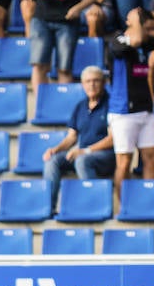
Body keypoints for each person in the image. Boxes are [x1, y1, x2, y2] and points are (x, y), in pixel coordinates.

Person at [109, 7, 154, 194]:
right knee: (124, 161)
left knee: (151, 157)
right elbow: (134, 40)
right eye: (138, 17)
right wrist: (139, 24)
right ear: (128, 21)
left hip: (146, 110)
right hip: (123, 111)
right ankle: (123, 206)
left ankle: (148, 202)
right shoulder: (118, 38)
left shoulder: (146, 41)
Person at [16, 0, 101, 89]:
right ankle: (41, 105)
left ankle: (64, 103)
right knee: (39, 65)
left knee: (65, 68)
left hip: (68, 21)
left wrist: (79, 8)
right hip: (41, 18)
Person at [43, 65, 115, 213]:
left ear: (104, 83)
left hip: (106, 156)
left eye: (96, 80)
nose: (92, 85)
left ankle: (94, 207)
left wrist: (86, 151)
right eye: (88, 81)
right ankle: (48, 208)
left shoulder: (112, 105)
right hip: (84, 153)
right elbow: (71, 137)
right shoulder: (80, 106)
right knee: (53, 160)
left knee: (82, 161)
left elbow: (112, 139)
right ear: (82, 85)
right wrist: (55, 149)